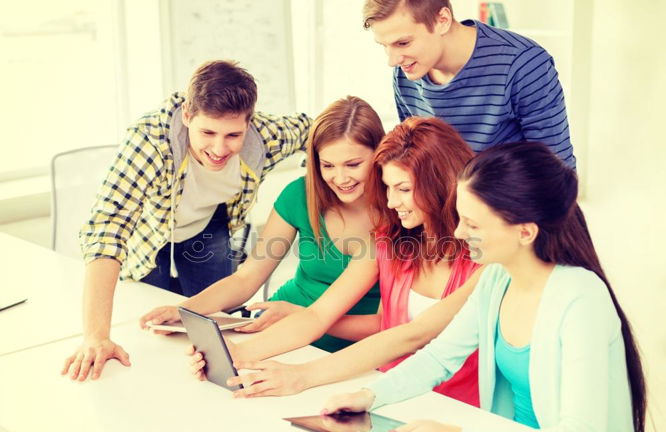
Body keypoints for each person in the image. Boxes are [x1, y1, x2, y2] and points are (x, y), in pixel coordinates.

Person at [323, 142, 646, 432]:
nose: (460, 233)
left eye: (473, 225)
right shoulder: (496, 280)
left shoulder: (581, 298)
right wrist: (368, 397)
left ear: (525, 232)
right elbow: (438, 358)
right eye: (461, 219)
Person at [200, 117, 482, 406]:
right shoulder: (387, 242)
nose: (392, 201)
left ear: (441, 183)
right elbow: (318, 315)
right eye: (387, 187)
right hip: (386, 390)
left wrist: (302, 376)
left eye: (404, 189)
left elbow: (413, 335)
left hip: (455, 405)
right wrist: (238, 353)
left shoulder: (487, 260)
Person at [62, 60, 312, 381]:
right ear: (187, 115)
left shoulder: (266, 135)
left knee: (212, 332)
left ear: (250, 123)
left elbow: (319, 130)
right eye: (207, 132)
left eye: (233, 134)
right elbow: (106, 229)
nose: (219, 148)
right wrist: (95, 337)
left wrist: (324, 177)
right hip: (151, 235)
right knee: (152, 331)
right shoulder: (150, 143)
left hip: (209, 226)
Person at [140, 96, 385, 354]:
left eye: (353, 164)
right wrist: (186, 311)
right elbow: (247, 278)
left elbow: (388, 324)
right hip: (280, 326)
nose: (341, 178)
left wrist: (299, 315)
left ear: (380, 154)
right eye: (327, 165)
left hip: (353, 345)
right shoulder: (301, 195)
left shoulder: (402, 213)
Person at [363, 0, 575, 167]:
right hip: (443, 211)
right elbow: (414, 161)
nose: (392, 60)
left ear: (442, 20)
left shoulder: (522, 63)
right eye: (384, 46)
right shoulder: (405, 71)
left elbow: (556, 170)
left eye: (403, 43)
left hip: (509, 213)